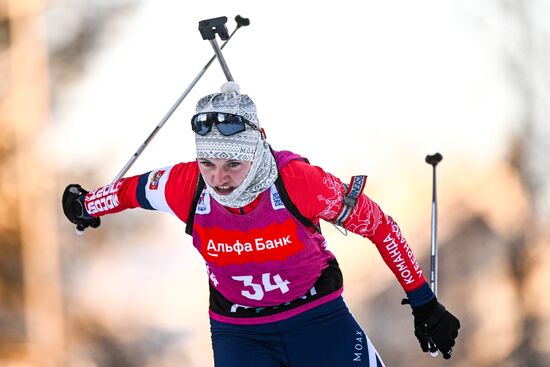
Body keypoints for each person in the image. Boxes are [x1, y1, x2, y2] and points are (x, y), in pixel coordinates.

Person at [62, 81, 460, 367]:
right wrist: (86, 205)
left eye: (233, 164)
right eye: (209, 164)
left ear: (256, 148)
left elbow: (379, 226)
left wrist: (425, 304)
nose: (219, 179)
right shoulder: (186, 187)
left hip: (317, 319)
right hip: (240, 332)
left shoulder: (299, 183)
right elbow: (128, 192)